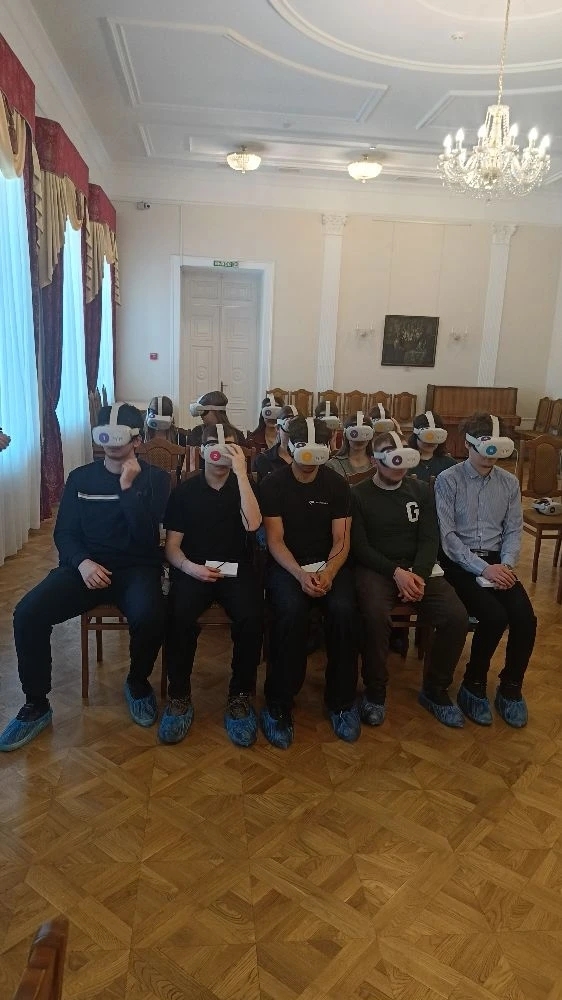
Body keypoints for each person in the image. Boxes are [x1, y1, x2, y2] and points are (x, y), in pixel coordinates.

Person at [0, 403, 170, 751]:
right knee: (28, 613)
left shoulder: (156, 479)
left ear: (137, 440)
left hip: (137, 567)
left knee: (151, 615)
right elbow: (64, 532)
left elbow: (146, 538)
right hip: (85, 568)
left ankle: (137, 682)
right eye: (105, 435)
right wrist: (82, 563)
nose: (112, 444)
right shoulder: (80, 478)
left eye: (120, 436)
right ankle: (36, 704)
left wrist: (127, 487)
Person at [351, 430, 468, 728]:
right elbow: (360, 547)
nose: (399, 462)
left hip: (418, 569)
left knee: (456, 617)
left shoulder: (421, 491)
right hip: (377, 569)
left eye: (403, 453)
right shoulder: (358, 495)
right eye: (391, 455)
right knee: (374, 616)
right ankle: (375, 692)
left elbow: (430, 539)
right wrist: (396, 573)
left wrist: (417, 575)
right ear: (374, 460)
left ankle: (435, 690)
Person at [259, 415, 360, 748]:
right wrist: (301, 574)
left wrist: (328, 572)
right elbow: (275, 540)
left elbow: (341, 539)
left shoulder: (337, 485)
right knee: (290, 612)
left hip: (329, 564)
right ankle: (279, 702)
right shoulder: (273, 484)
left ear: (328, 448)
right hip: (288, 566)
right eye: (302, 446)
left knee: (344, 610)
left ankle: (341, 701)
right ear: (290, 445)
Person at [161, 423, 263, 746]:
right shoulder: (185, 492)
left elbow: (254, 525)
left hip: (236, 570)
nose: (220, 449)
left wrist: (242, 474)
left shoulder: (245, 485)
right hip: (194, 569)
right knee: (178, 614)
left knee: (252, 616)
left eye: (229, 443)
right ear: (201, 449)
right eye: (212, 443)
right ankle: (179, 695)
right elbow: (172, 548)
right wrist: (190, 568)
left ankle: (240, 695)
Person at [435, 412, 536, 728]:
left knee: (525, 618)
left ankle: (511, 685)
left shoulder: (509, 482)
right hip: (459, 563)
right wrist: (483, 568)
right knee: (493, 616)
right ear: (468, 444)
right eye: (484, 445)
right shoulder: (448, 479)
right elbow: (448, 538)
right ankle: (473, 683)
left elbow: (514, 530)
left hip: (498, 562)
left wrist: (505, 565)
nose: (491, 454)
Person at [408, 411, 456, 483]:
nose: (431, 442)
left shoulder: (449, 464)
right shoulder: (405, 463)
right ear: (416, 435)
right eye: (428, 436)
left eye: (436, 436)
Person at [253, 404, 297, 484]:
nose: (293, 433)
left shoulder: (309, 461)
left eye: (298, 428)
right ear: (277, 428)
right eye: (288, 426)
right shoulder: (263, 459)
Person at [327, 411, 374, 479]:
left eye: (364, 434)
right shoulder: (333, 465)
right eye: (354, 434)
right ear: (345, 434)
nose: (359, 440)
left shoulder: (378, 463)